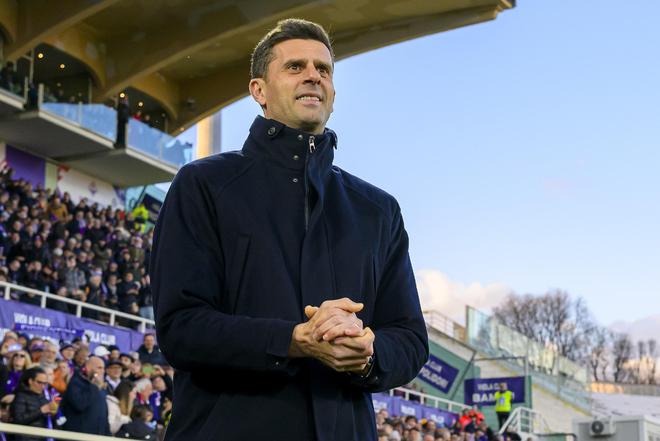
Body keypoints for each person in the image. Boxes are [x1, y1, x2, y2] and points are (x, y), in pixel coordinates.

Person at [150, 18, 428, 441]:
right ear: (259, 90)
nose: (313, 75)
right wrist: (292, 340)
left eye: (324, 69)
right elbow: (181, 327)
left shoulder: (378, 209)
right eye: (295, 66)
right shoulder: (203, 184)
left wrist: (369, 353)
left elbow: (409, 338)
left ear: (333, 93)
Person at [60, 356, 111, 435]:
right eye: (99, 368)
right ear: (88, 368)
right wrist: (94, 386)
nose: (103, 371)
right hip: (79, 436)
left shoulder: (100, 388)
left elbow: (104, 415)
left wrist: (108, 435)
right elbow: (80, 405)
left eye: (103, 368)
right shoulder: (75, 383)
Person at [10, 367, 57, 441]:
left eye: (45, 383)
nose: (43, 386)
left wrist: (53, 414)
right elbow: (18, 420)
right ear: (30, 381)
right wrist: (41, 411)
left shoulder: (44, 398)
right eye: (39, 382)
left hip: (43, 438)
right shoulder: (21, 396)